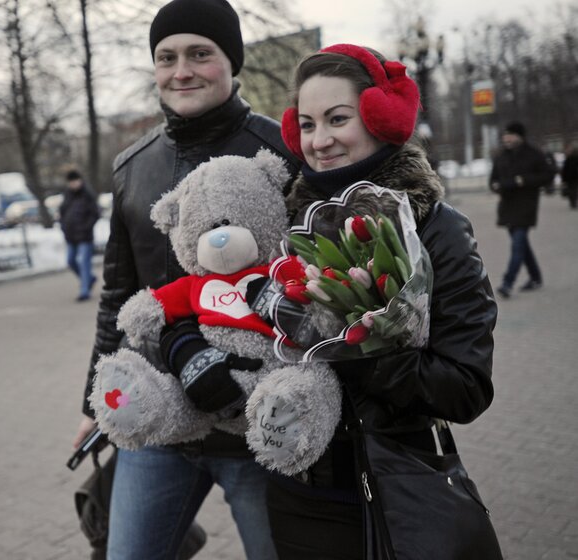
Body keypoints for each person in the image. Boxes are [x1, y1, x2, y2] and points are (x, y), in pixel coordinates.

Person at [233, 43, 496, 558]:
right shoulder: (286, 229)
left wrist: (350, 348)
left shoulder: (435, 229)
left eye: (337, 119)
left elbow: (465, 389)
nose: (320, 140)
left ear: (380, 118)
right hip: (296, 494)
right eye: (307, 125)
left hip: (393, 488)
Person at [72, 0, 298, 557]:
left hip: (255, 420)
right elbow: (118, 297)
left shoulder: (284, 152)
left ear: (232, 62)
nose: (182, 70)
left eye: (201, 53)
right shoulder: (132, 166)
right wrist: (91, 405)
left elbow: (308, 284)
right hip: (160, 421)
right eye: (167, 57)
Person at [489, 121, 554, 298]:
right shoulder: (501, 156)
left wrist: (522, 181)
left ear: (520, 137)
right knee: (522, 245)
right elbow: (492, 180)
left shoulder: (533, 154)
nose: (506, 138)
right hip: (507, 207)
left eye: (510, 135)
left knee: (518, 245)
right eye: (505, 135)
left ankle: (507, 282)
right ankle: (535, 277)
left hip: (526, 205)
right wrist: (496, 186)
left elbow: (548, 175)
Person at [59, 170, 100, 302]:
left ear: (80, 180)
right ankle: (89, 279)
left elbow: (95, 213)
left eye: (75, 181)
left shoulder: (87, 194)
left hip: (85, 235)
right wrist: (64, 227)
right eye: (71, 182)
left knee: (84, 262)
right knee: (70, 261)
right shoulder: (67, 196)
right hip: (71, 236)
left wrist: (87, 227)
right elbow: (62, 213)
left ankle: (84, 291)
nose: (73, 184)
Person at [561, 142, 578, 209]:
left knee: (571, 190)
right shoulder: (576, 158)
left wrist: (563, 178)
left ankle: (572, 202)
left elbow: (564, 169)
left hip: (569, 177)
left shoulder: (568, 158)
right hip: (575, 177)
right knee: (574, 189)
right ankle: (574, 202)